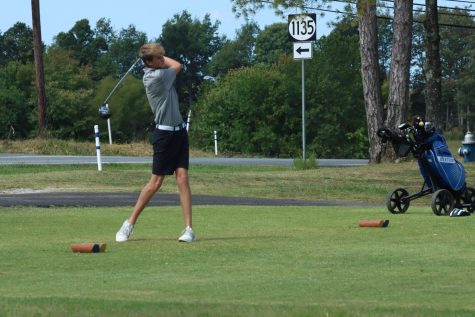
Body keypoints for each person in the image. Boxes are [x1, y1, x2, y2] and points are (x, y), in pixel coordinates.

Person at [115, 43, 195, 243]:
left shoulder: (158, 69)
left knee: (183, 178)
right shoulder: (156, 77)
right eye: (158, 59)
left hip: (179, 132)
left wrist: (153, 53)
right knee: (156, 182)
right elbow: (177, 65)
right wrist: (154, 55)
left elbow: (170, 63)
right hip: (164, 135)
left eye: (162, 58)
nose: (162, 61)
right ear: (149, 63)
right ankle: (128, 224)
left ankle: (188, 229)